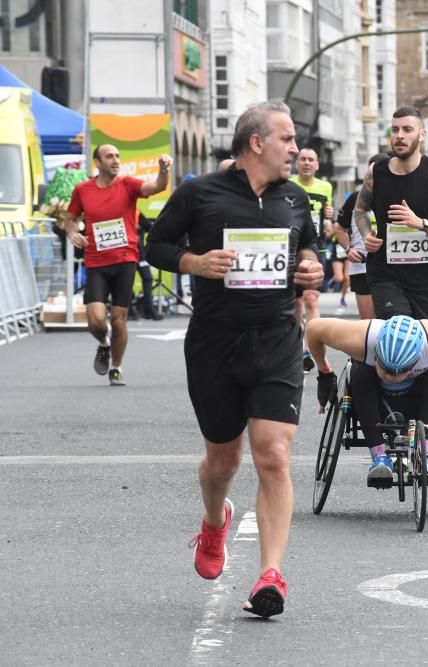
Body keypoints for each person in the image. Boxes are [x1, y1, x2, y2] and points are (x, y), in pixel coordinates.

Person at [146, 101, 324, 617]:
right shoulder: (200, 193)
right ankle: (213, 522)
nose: (296, 149)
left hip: (275, 338)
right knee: (224, 461)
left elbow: (309, 248)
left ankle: (271, 574)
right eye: (287, 139)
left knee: (273, 454)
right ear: (256, 143)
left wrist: (312, 267)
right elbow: (155, 245)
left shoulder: (295, 199)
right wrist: (194, 262)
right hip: (215, 343)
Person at [306, 314, 428, 482]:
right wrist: (325, 374)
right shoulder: (360, 338)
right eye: (383, 367)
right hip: (371, 398)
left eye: (394, 373)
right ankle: (379, 456)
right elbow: (313, 329)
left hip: (415, 398)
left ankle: (422, 455)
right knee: (359, 370)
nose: (386, 376)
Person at [64, 144, 172, 386]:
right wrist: (72, 233)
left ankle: (116, 366)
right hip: (96, 261)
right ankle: (103, 343)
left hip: (124, 260)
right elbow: (70, 220)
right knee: (95, 320)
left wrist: (163, 169)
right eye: (109, 156)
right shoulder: (83, 190)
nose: (115, 160)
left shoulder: (128, 184)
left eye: (117, 156)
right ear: (97, 163)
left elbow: (157, 186)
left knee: (119, 319)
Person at [357, 106, 428, 321]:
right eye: (395, 130)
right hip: (385, 274)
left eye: (407, 129)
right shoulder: (375, 172)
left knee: (425, 345)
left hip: (427, 278)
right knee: (397, 334)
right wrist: (367, 234)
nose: (399, 136)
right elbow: (360, 210)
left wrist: (421, 223)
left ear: (422, 135)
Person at [290, 147, 335, 371]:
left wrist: (330, 215)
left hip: (316, 246)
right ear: (297, 163)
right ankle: (298, 348)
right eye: (303, 159)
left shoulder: (325, 186)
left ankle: (311, 350)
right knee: (296, 302)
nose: (307, 163)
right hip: (292, 246)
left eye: (311, 159)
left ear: (317, 164)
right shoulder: (288, 184)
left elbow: (328, 216)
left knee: (310, 299)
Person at [335, 154, 388, 322]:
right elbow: (339, 230)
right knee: (369, 324)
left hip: (391, 267)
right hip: (361, 266)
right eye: (371, 171)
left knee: (390, 320)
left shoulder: (396, 195)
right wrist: (348, 249)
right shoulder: (355, 198)